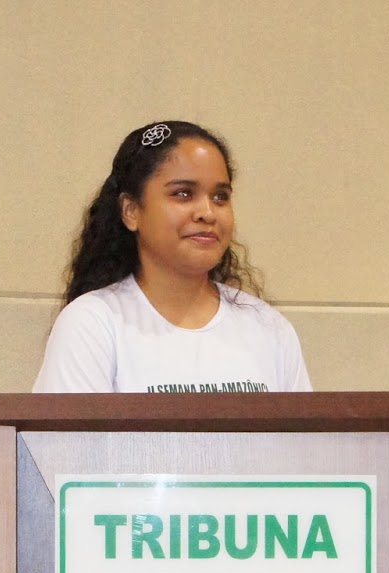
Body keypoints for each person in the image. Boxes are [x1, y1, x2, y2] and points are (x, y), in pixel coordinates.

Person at [32, 121, 312, 394]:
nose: (207, 213)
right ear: (131, 211)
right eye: (183, 194)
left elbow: (305, 427)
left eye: (220, 197)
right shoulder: (93, 323)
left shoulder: (268, 327)